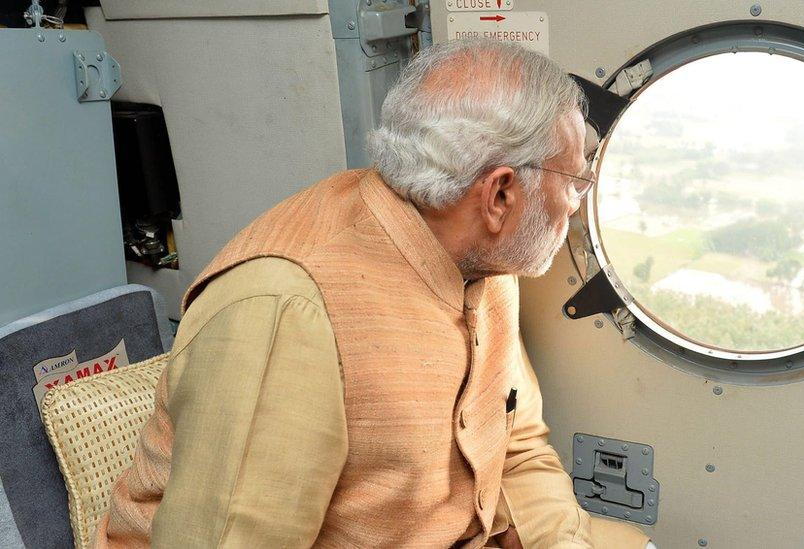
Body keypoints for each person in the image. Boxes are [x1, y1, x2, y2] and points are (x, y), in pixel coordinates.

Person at [93, 38, 652, 548]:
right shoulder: (287, 313)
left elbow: (518, 448)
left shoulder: (488, 260)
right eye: (574, 181)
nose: (578, 202)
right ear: (500, 195)